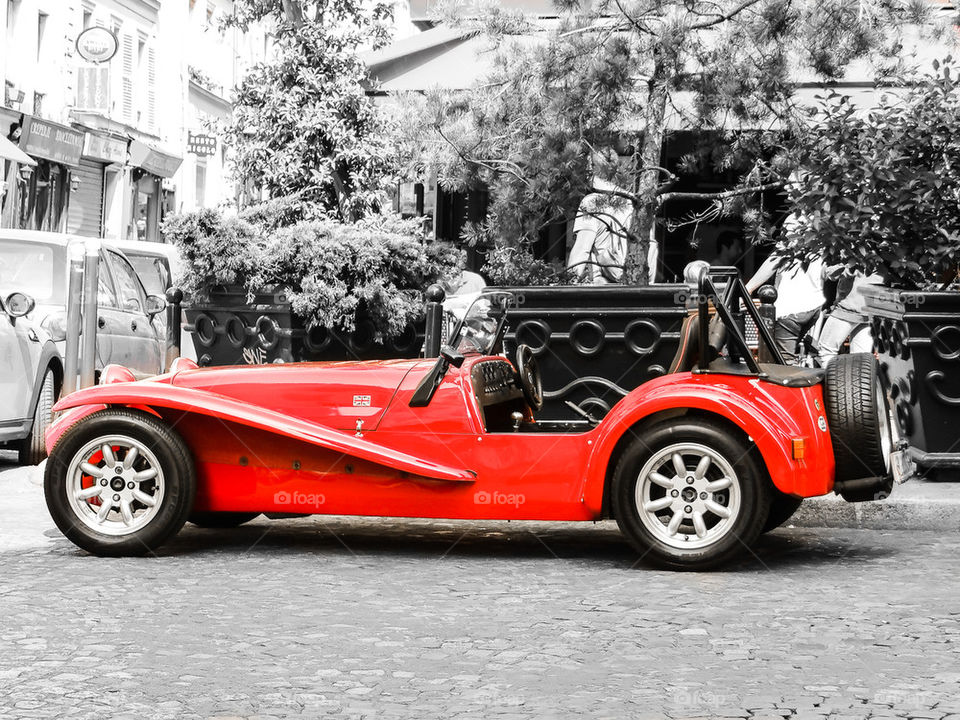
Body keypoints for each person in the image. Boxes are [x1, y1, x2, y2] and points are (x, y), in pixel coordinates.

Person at [567, 178, 659, 283]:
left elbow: (582, 250)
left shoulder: (591, 202)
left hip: (613, 280)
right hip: (643, 276)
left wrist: (568, 284)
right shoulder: (636, 202)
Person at [745, 252, 825, 364]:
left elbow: (773, 261)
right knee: (782, 354)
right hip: (813, 306)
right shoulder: (820, 240)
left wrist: (747, 289)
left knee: (783, 360)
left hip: (790, 308)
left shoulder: (792, 238)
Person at [817, 268, 881, 366]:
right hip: (871, 308)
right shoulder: (885, 253)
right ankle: (857, 381)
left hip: (848, 307)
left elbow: (833, 273)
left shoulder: (852, 253)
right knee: (860, 359)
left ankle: (833, 381)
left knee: (826, 351)